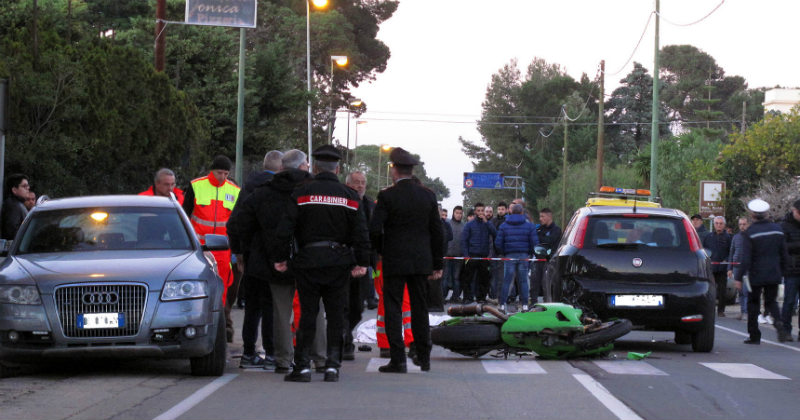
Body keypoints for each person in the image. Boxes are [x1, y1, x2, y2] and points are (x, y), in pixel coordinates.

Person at [274, 145, 370, 383]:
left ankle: (303, 367)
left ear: (315, 168)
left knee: (308, 314)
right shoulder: (349, 197)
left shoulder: (302, 192)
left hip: (308, 262)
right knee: (336, 315)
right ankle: (332, 367)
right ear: (337, 169)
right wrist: (362, 262)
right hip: (339, 263)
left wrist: (281, 258)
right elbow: (361, 233)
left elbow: (285, 228)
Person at [370, 147, 443, 373]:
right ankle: (424, 356)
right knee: (420, 308)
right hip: (421, 261)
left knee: (393, 308)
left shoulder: (387, 196)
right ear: (411, 171)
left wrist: (381, 250)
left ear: (394, 170)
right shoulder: (428, 195)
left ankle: (398, 359)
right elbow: (437, 232)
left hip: (394, 260)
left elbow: (374, 229)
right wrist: (437, 263)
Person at [226, 150, 283, 368]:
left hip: (251, 257)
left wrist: (239, 252)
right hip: (272, 256)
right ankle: (270, 353)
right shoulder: (276, 189)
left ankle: (249, 352)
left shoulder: (248, 187)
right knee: (270, 306)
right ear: (280, 169)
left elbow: (234, 223)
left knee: (252, 306)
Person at [182, 155, 240, 341]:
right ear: (211, 170)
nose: (222, 177)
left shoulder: (235, 190)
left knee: (222, 289)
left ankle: (218, 330)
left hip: (223, 249)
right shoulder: (196, 185)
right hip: (199, 248)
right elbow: (185, 214)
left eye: (225, 173)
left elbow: (237, 221)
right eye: (219, 172)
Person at [735, 199, 790, 344]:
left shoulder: (750, 232)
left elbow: (746, 258)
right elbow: (784, 253)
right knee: (771, 301)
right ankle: (779, 324)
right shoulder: (777, 230)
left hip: (756, 274)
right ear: (766, 213)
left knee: (753, 303)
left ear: (752, 214)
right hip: (774, 272)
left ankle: (754, 335)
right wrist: (785, 271)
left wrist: (738, 277)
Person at [343, 170, 377, 360]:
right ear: (348, 183)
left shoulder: (369, 204)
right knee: (343, 305)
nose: (360, 186)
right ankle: (345, 341)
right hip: (344, 261)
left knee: (358, 307)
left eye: (363, 182)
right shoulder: (344, 201)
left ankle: (346, 332)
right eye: (356, 182)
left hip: (364, 263)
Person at [494, 203, 538, 312]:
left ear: (511, 212)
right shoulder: (529, 225)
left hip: (509, 256)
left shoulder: (504, 225)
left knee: (507, 281)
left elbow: (498, 243)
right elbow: (534, 242)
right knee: (523, 281)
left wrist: (504, 252)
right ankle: (524, 305)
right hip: (523, 256)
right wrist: (529, 253)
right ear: (522, 212)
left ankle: (503, 304)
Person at [460, 202, 496, 303]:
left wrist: (487, 222)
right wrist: (466, 256)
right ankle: (467, 297)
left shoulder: (488, 224)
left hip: (484, 256)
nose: (480, 212)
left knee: (484, 279)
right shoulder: (469, 225)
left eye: (482, 210)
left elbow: (495, 233)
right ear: (475, 211)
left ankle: (481, 298)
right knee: (468, 278)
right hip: (472, 255)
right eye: (478, 210)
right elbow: (464, 240)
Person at [702, 216, 732, 317]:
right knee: (710, 290)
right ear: (714, 224)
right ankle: (709, 309)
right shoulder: (709, 237)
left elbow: (731, 252)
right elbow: (704, 251)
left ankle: (721, 310)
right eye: (717, 223)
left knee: (722, 291)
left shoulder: (728, 238)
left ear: (724, 225)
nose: (718, 225)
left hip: (722, 269)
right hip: (711, 269)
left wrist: (727, 260)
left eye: (721, 223)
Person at [531, 208, 561, 304]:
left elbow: (549, 241)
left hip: (549, 261)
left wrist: (540, 237)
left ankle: (547, 304)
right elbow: (535, 240)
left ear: (549, 217)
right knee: (534, 283)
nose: (540, 219)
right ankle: (533, 303)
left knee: (546, 284)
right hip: (538, 260)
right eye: (540, 216)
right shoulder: (539, 229)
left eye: (542, 216)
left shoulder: (556, 230)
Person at [780, 199, 800, 341]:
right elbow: (783, 247)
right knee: (789, 301)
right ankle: (786, 330)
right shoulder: (785, 226)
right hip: (792, 269)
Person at [728, 216, 750, 320]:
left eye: (744, 224)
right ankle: (742, 311)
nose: (742, 226)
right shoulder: (736, 237)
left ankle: (746, 312)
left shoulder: (751, 236)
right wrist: (730, 268)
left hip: (747, 268)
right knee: (740, 290)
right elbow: (731, 252)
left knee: (746, 290)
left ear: (748, 224)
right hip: (736, 267)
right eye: (740, 224)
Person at [443, 206, 465, 303]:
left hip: (459, 257)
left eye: (460, 213)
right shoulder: (448, 224)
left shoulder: (464, 226)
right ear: (453, 213)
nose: (459, 215)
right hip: (447, 256)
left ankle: (455, 297)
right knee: (445, 277)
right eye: (457, 213)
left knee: (456, 278)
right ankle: (442, 297)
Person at [2, 174, 31, 240]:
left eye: (28, 186)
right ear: (14, 190)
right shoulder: (13, 206)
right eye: (24, 186)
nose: (28, 188)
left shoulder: (17, 204)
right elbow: (12, 233)